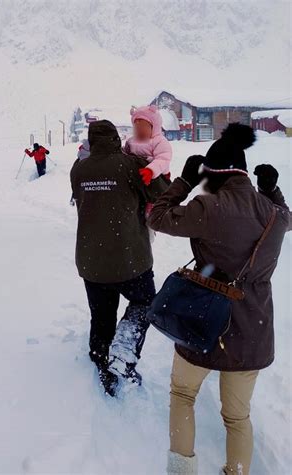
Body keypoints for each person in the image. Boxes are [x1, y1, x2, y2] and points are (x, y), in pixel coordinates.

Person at [147, 123, 290, 475]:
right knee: (238, 416)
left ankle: (182, 471)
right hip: (252, 329)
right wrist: (271, 191)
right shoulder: (273, 213)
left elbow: (158, 216)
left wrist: (183, 182)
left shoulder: (208, 207)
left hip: (202, 320)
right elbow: (287, 217)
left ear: (212, 174)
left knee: (183, 396)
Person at [70, 120, 168, 396]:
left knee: (101, 316)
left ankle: (103, 363)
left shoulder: (79, 169)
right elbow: (161, 193)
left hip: (92, 262)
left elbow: (81, 195)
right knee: (146, 302)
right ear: (116, 138)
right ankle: (124, 349)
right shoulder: (130, 165)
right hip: (130, 260)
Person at [124, 105, 173, 187]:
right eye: (137, 128)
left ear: (154, 127)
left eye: (144, 127)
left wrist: (151, 170)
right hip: (137, 176)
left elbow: (163, 159)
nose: (140, 131)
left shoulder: (159, 141)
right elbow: (124, 154)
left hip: (158, 177)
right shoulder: (131, 141)